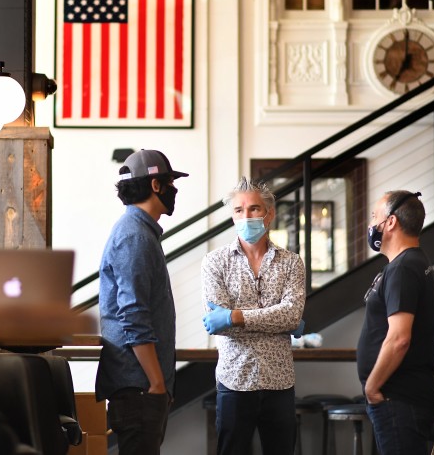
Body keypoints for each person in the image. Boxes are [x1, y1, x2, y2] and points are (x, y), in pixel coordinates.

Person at [201, 177, 305, 455]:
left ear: (269, 214)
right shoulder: (214, 262)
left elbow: (291, 316)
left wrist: (234, 316)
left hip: (279, 381)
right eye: (239, 210)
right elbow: (217, 324)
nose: (246, 216)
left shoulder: (291, 262)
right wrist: (275, 319)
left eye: (254, 209)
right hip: (235, 379)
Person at [95, 149, 188, 455]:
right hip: (140, 387)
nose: (175, 190)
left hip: (141, 386)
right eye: (171, 182)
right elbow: (133, 314)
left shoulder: (139, 232)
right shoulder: (134, 236)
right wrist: (157, 383)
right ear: (156, 185)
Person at [357, 190, 434, 455]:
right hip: (403, 397)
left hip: (398, 399)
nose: (371, 225)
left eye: (374, 217)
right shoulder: (413, 262)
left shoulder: (403, 268)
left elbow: (399, 338)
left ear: (390, 222)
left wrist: (372, 386)